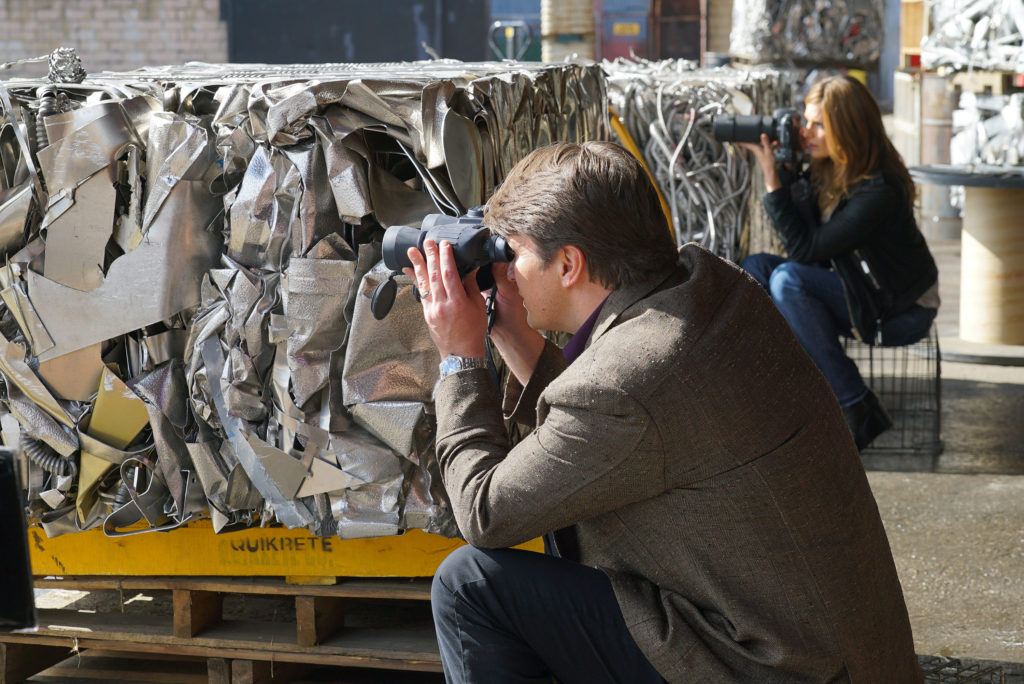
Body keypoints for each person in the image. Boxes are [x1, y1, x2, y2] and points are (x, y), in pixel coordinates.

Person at [404, 141, 921, 682]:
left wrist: (460, 360)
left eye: (513, 255)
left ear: (569, 264)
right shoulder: (711, 290)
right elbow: (618, 430)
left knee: (470, 585)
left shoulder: (626, 382)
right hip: (836, 649)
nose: (505, 274)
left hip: (774, 666)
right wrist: (514, 334)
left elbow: (486, 513)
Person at [739, 74, 939, 451]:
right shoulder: (829, 168)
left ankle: (856, 404)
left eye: (819, 125)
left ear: (846, 129)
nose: (807, 132)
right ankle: (794, 391)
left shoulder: (879, 190)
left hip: (902, 311)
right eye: (807, 121)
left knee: (788, 281)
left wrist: (771, 180)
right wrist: (788, 170)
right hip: (863, 289)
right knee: (756, 269)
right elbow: (808, 241)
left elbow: (806, 250)